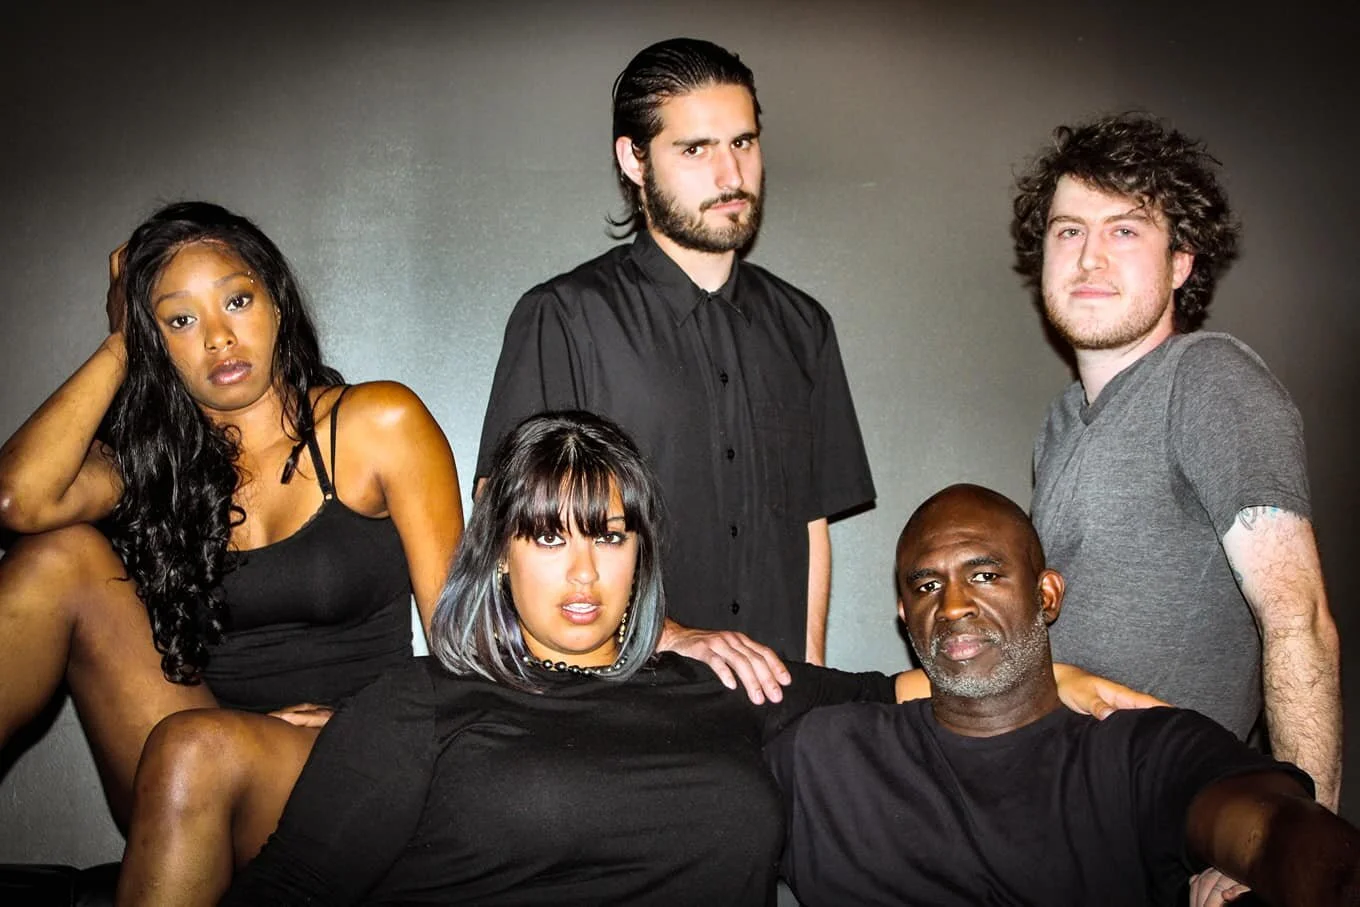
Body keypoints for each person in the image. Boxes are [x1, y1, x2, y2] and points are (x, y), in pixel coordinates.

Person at [219, 414, 1145, 906]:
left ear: (641, 552)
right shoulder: (417, 703)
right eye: (548, 537)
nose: (584, 572)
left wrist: (1051, 676)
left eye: (609, 534)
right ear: (500, 553)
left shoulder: (718, 684)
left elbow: (891, 688)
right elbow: (288, 891)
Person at [0, 202, 463, 868]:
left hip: (349, 762)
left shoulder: (376, 423)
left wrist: (373, 726)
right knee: (57, 557)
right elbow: (18, 499)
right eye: (180, 320)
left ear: (276, 303)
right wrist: (121, 342)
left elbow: (463, 646)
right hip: (186, 764)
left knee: (196, 746)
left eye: (237, 301)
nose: (218, 338)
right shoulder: (149, 463)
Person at [476, 37, 875, 679]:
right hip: (623, 696)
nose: (730, 175)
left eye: (742, 143)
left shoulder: (805, 328)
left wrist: (811, 679)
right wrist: (667, 636)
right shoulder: (564, 317)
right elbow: (509, 524)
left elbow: (810, 526)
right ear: (634, 160)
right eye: (695, 149)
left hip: (773, 701)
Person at [769, 484, 1360, 907]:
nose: (952, 606)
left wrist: (1273, 873)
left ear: (1046, 595)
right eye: (927, 586)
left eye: (984, 575)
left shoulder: (1142, 751)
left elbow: (1280, 835)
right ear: (905, 615)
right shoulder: (826, 756)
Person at [1011, 113, 1341, 808]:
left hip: (1163, 809)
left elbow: (1297, 617)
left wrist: (1294, 838)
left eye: (1124, 231)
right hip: (1054, 799)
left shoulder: (1208, 377)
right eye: (1069, 231)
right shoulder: (1059, 422)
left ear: (1181, 260)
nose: (1089, 258)